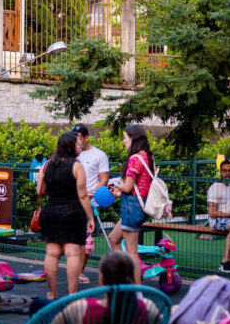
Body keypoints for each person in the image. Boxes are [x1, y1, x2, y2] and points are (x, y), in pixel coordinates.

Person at [37, 132, 95, 300]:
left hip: (51, 211)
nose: (80, 146)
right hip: (73, 212)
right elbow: (83, 195)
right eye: (77, 144)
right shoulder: (76, 166)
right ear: (70, 146)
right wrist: (90, 218)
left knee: (52, 253)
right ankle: (71, 295)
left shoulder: (47, 165)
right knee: (72, 254)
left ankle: (52, 293)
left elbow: (40, 190)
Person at [107, 125, 156, 283]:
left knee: (131, 252)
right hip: (140, 206)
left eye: (125, 137)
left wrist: (117, 186)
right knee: (113, 239)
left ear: (133, 138)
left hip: (131, 207)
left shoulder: (135, 158)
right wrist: (122, 190)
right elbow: (139, 185)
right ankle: (125, 276)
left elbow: (128, 186)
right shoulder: (147, 156)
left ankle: (136, 291)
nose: (123, 141)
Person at [73, 124, 110, 284]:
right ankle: (72, 269)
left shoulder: (99, 155)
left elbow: (104, 179)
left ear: (86, 138)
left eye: (78, 138)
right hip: (72, 200)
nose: (76, 141)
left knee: (85, 239)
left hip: (90, 202)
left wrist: (92, 192)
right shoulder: (72, 154)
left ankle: (80, 271)